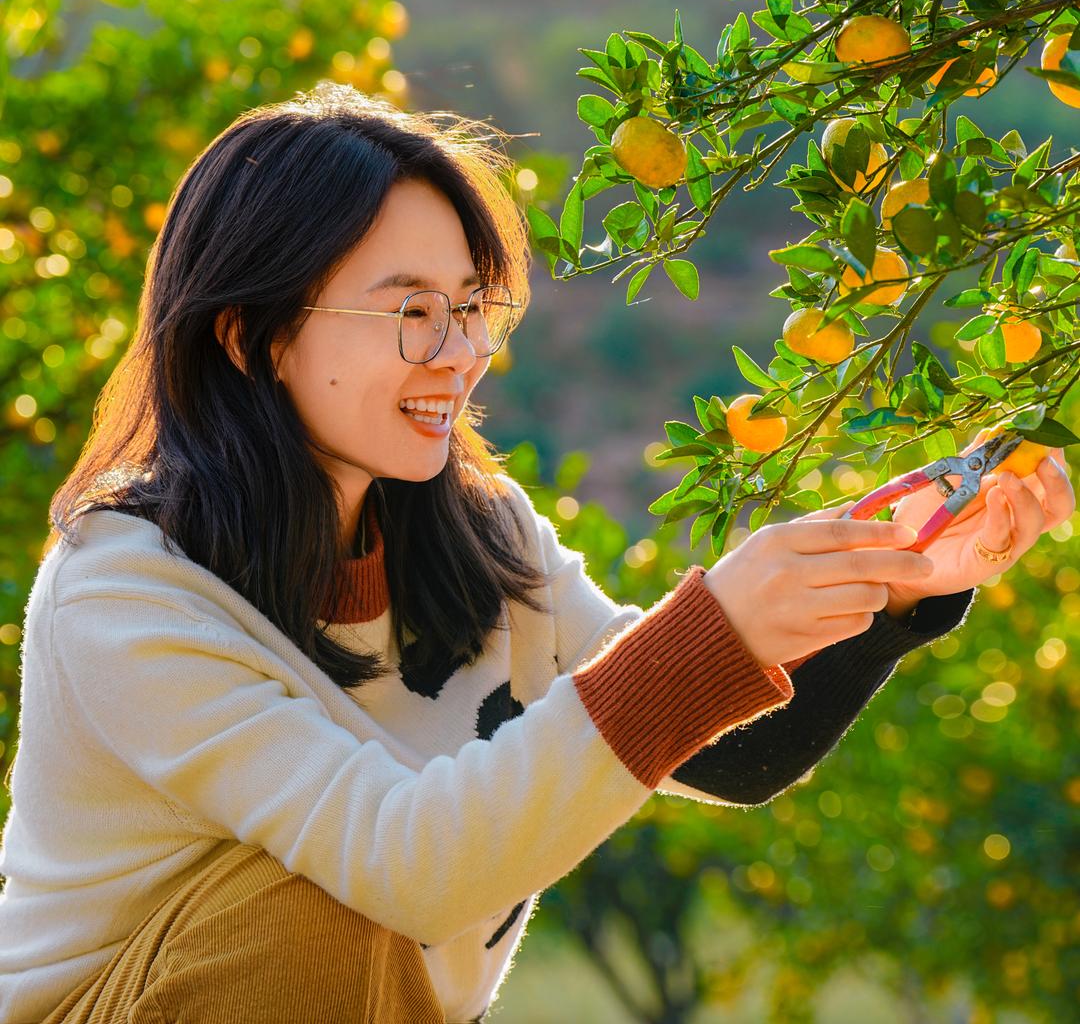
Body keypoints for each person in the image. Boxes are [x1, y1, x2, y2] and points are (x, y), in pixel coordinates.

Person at [0, 82, 1072, 1024]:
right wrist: (713, 631)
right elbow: (404, 867)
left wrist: (899, 590)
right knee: (316, 899)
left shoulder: (483, 533)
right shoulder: (127, 592)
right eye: (413, 312)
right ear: (250, 335)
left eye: (471, 307)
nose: (462, 353)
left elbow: (717, 753)